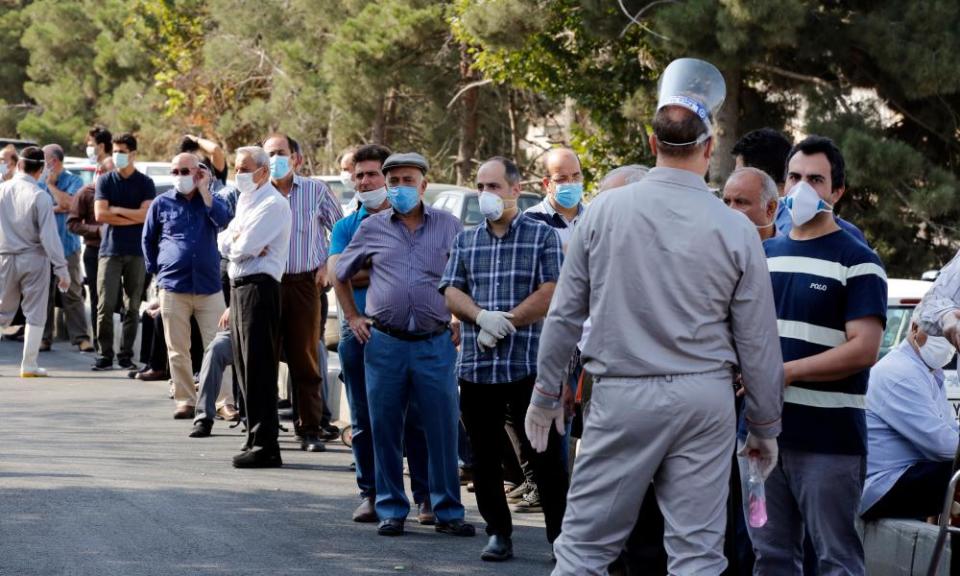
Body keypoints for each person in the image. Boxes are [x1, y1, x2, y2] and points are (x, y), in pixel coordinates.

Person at [530, 58, 783, 575]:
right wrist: (763, 425)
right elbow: (757, 341)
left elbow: (564, 316)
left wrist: (545, 394)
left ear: (652, 144)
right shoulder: (736, 230)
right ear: (710, 148)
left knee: (583, 549)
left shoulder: (602, 211)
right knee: (697, 554)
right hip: (705, 397)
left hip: (623, 391)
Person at [741, 135, 887, 575]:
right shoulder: (761, 256)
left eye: (816, 179)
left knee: (836, 560)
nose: (803, 188)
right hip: (760, 440)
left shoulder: (858, 261)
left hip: (829, 443)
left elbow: (864, 349)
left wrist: (784, 372)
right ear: (782, 184)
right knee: (770, 558)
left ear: (837, 191)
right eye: (795, 177)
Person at [335, 152, 475, 538]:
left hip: (435, 342)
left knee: (442, 428)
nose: (399, 188)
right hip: (385, 344)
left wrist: (460, 315)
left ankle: (448, 510)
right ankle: (392, 509)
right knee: (385, 427)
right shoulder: (373, 227)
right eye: (393, 181)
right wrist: (352, 317)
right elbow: (339, 272)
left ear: (424, 185)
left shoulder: (449, 226)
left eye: (407, 180)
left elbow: (467, 275)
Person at [441, 156, 566, 562]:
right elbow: (450, 290)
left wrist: (508, 321)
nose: (486, 195)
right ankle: (498, 532)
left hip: (527, 365)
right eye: (480, 187)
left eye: (494, 187)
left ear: (516, 189)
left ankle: (560, 537)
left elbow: (552, 290)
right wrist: (480, 317)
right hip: (478, 369)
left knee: (544, 457)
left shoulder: (541, 236)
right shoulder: (466, 238)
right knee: (484, 455)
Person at [328, 143, 432, 524]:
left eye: (372, 174)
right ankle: (371, 493)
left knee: (416, 418)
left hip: (409, 335)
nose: (365, 181)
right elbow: (336, 273)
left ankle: (425, 497)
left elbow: (429, 269)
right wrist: (389, 266)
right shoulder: (345, 226)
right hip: (360, 335)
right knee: (365, 419)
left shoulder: (416, 221)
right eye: (359, 176)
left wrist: (371, 266)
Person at [263, 133, 343, 452]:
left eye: (280, 153)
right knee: (263, 358)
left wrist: (327, 266)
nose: (274, 160)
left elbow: (340, 229)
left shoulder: (315, 190)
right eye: (269, 153)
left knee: (306, 358)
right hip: (265, 285)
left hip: (304, 284)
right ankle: (264, 429)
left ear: (296, 158)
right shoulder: (256, 192)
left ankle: (309, 429)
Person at [218, 146, 292, 468]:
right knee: (244, 366)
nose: (239, 174)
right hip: (239, 288)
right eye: (235, 168)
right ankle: (253, 435)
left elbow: (243, 247)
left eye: (245, 168)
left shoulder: (273, 203)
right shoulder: (247, 202)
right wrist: (238, 242)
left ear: (263, 171)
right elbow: (226, 243)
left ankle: (266, 444)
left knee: (260, 367)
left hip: (260, 290)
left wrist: (239, 244)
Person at [142, 153, 229, 419]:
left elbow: (224, 220)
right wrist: (159, 274)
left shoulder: (212, 200)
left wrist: (204, 191)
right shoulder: (161, 202)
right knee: (177, 349)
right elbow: (148, 240)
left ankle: (225, 401)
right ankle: (185, 400)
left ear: (198, 172)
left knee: (219, 346)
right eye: (175, 172)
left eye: (185, 171)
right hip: (173, 286)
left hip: (209, 286)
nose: (180, 176)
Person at [861, 316, 958, 520]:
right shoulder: (900, 373)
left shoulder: (927, 373)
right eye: (941, 334)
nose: (948, 344)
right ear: (915, 328)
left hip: (906, 474)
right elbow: (945, 447)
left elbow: (949, 431)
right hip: (882, 486)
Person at [0, 146, 70, 376]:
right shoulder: (40, 196)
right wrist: (61, 268)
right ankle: (28, 364)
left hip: (4, 256)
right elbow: (49, 237)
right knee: (36, 312)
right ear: (41, 169)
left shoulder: (2, 190)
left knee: (1, 311)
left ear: (19, 165)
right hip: (34, 259)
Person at [732, 127, 867, 244]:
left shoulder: (781, 233)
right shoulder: (850, 231)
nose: (733, 183)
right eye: (795, 176)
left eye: (740, 174)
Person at [92, 133, 155, 371]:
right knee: (105, 304)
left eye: (121, 151)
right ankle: (104, 354)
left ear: (133, 154)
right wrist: (132, 215)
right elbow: (101, 215)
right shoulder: (106, 181)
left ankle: (126, 354)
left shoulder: (145, 183)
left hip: (137, 251)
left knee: (132, 305)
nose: (117, 156)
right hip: (109, 250)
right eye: (114, 151)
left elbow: (145, 215)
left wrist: (117, 211)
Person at [39, 144, 93, 352]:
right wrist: (57, 206)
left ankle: (81, 338)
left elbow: (71, 205)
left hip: (67, 246)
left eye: (44, 159)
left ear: (54, 162)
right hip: (42, 248)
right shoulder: (38, 182)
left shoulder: (74, 180)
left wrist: (52, 187)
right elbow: (39, 208)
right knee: (44, 294)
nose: (42, 164)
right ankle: (44, 338)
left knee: (72, 292)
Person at [69, 125, 116, 350]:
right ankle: (100, 342)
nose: (88, 148)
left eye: (90, 144)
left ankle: (105, 343)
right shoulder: (97, 170)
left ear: (101, 145)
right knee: (99, 298)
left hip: (112, 247)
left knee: (108, 298)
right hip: (96, 245)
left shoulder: (110, 166)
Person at [525, 147, 585, 248]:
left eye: (576, 176)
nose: (571, 183)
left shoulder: (593, 216)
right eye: (562, 179)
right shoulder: (530, 221)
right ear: (547, 183)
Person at [722, 167, 778, 241]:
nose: (730, 210)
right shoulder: (717, 247)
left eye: (740, 202)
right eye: (727, 202)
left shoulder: (789, 251)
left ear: (770, 208)